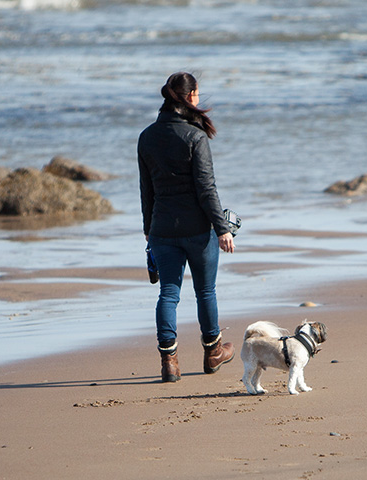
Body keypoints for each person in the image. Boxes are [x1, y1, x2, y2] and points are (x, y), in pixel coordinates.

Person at [138, 72, 235, 383]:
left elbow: (146, 190)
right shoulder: (196, 137)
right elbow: (207, 189)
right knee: (205, 291)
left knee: (168, 292)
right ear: (191, 96)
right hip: (198, 229)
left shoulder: (147, 136)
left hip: (162, 228)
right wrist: (222, 228)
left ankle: (169, 361)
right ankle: (213, 353)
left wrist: (148, 232)